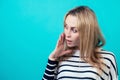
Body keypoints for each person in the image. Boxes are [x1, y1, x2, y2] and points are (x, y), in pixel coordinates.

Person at [42, 6, 118, 80]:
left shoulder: (108, 58)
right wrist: (52, 58)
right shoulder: (60, 57)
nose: (67, 34)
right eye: (66, 27)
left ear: (87, 32)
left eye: (74, 30)